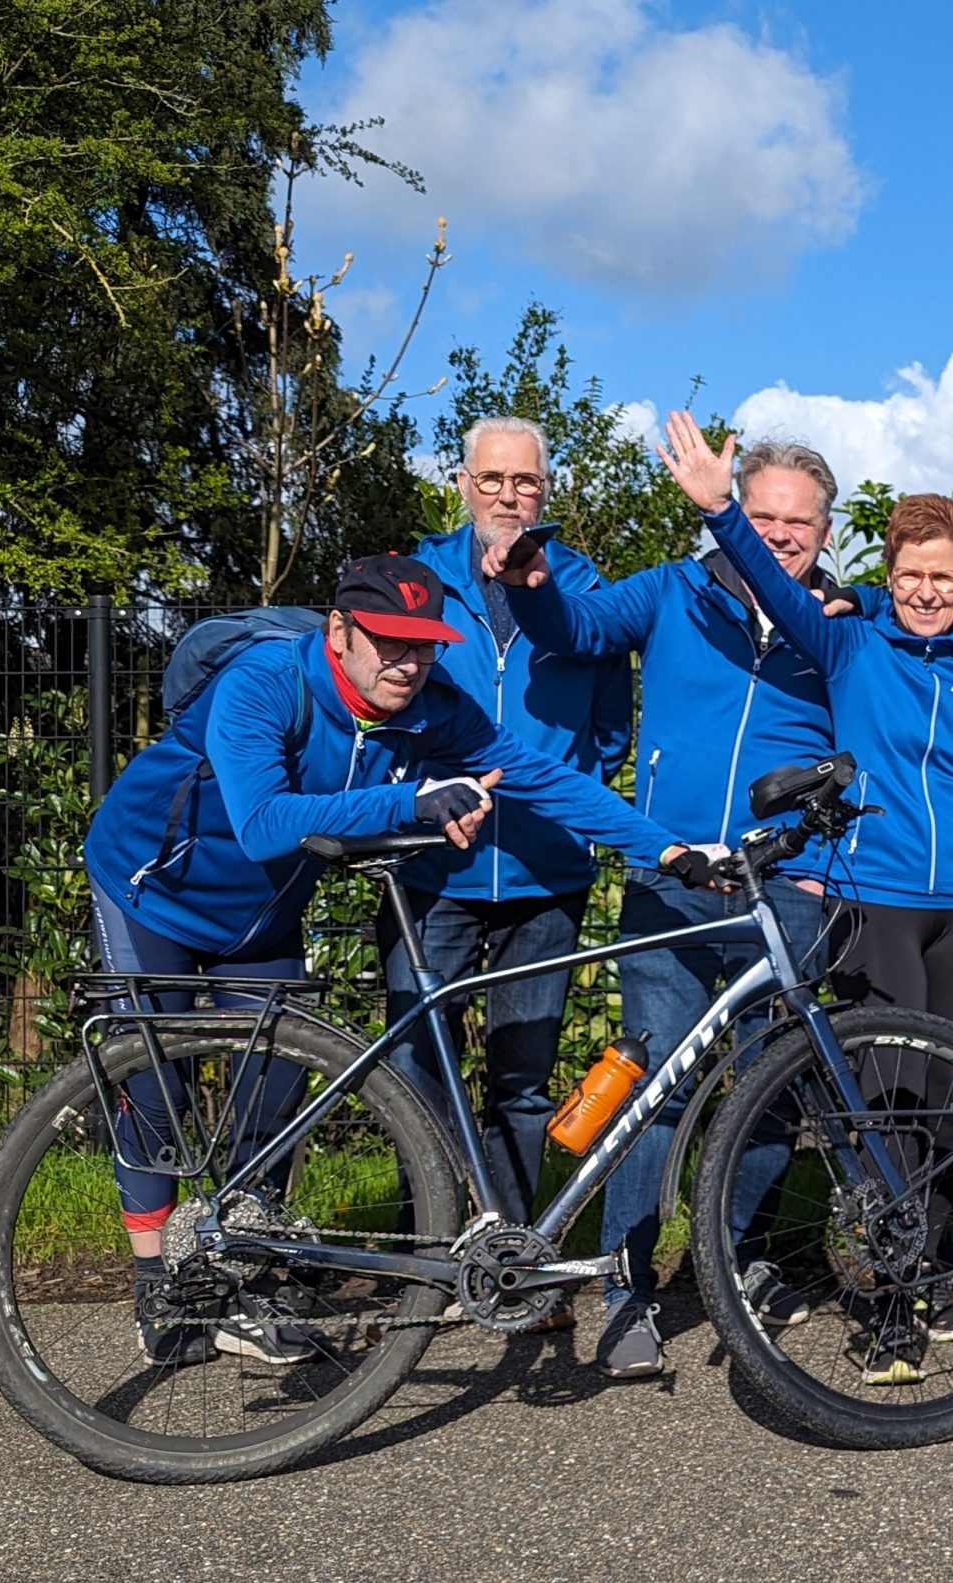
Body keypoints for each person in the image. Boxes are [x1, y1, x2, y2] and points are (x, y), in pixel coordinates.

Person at [82, 554, 685, 1368]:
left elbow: (538, 775)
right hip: (151, 888)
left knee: (275, 1093)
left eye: (425, 645)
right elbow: (264, 821)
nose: (409, 663)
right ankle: (157, 1283)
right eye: (389, 643)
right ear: (340, 631)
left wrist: (671, 848)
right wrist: (414, 800)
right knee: (158, 1089)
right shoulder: (265, 683)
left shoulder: (430, 706)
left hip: (261, 917)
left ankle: (243, 1276)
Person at [489, 436, 848, 1380]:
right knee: (654, 1089)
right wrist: (530, 583)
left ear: (824, 531)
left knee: (775, 1091)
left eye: (797, 522)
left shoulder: (839, 620)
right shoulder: (670, 590)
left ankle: (735, 1261)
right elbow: (574, 628)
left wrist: (821, 868)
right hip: (675, 879)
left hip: (787, 887)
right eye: (761, 514)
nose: (778, 535)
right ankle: (622, 1289)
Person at [383, 417, 634, 1339]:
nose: (507, 496)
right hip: (434, 872)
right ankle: (433, 1253)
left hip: (544, 869)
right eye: (492, 479)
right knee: (415, 1067)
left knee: (524, 1082)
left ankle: (513, 1262)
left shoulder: (584, 589)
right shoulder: (416, 577)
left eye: (524, 481)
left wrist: (569, 800)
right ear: (461, 483)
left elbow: (608, 731)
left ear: (546, 488)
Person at [651, 415, 953, 1039]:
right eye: (909, 578)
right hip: (873, 891)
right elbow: (777, 589)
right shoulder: (849, 645)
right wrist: (720, 511)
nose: (926, 594)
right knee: (883, 1088)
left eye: (943, 579)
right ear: (887, 578)